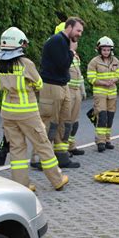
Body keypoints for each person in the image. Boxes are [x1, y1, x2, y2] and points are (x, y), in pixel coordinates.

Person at [0, 27, 68, 191]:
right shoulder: (26, 64)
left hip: (7, 113)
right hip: (27, 114)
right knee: (43, 145)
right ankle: (57, 179)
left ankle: (22, 186)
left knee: (17, 149)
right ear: (19, 44)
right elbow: (39, 84)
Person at [38, 17, 84, 168]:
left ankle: (61, 156)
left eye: (81, 31)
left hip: (62, 85)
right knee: (50, 123)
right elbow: (62, 64)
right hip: (51, 86)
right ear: (69, 27)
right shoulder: (57, 41)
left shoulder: (64, 42)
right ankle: (39, 158)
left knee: (64, 122)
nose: (80, 34)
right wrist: (71, 51)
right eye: (78, 30)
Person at [87, 36, 119, 152]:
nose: (106, 52)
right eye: (104, 50)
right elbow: (91, 78)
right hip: (100, 93)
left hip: (112, 93)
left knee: (110, 117)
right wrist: (103, 83)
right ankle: (100, 141)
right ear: (99, 50)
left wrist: (114, 80)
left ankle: (107, 140)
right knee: (102, 116)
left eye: (108, 50)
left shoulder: (115, 61)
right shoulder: (94, 62)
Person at [67, 40, 86, 156]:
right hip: (67, 90)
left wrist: (82, 89)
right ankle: (62, 149)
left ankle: (71, 146)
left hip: (76, 90)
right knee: (65, 122)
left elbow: (79, 74)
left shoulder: (75, 56)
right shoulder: (63, 55)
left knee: (75, 122)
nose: (76, 42)